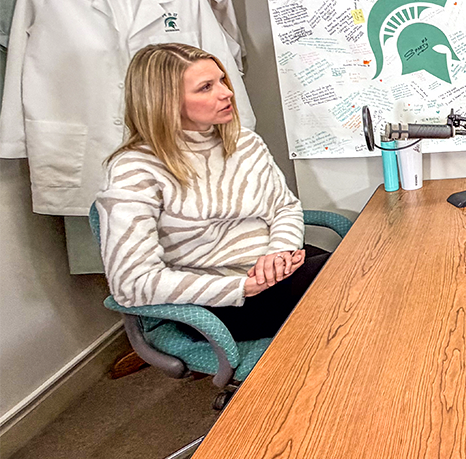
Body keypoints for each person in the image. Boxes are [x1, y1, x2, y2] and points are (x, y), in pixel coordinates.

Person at [96, 43, 328, 342]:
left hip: (274, 273)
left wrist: (279, 251)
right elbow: (130, 284)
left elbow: (284, 207)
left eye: (222, 80)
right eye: (206, 87)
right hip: (222, 302)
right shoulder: (134, 169)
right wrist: (241, 287)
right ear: (164, 101)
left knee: (370, 266)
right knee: (359, 287)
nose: (226, 92)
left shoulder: (245, 143)